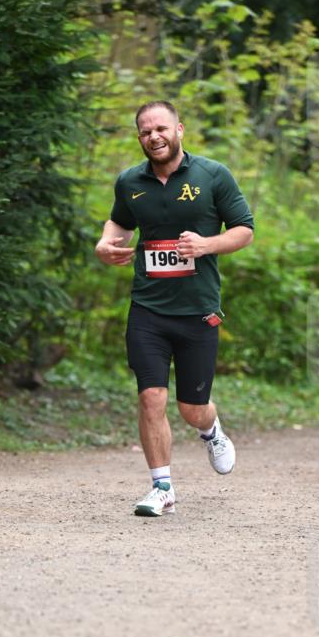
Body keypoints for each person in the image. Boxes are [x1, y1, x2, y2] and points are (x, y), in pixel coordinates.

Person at [95, 100, 254, 516]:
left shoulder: (212, 175)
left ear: (179, 129)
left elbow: (244, 230)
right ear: (139, 137)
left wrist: (207, 245)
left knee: (191, 409)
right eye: (146, 132)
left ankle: (211, 430)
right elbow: (119, 222)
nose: (154, 137)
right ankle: (161, 487)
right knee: (150, 396)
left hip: (198, 308)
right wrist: (104, 241)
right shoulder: (130, 181)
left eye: (161, 129)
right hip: (147, 307)